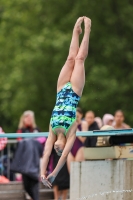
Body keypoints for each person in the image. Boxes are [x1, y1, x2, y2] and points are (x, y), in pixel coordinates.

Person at [41, 16, 91, 188]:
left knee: (70, 58)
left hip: (61, 89)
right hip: (75, 91)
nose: (57, 149)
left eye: (57, 149)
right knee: (79, 59)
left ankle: (75, 32)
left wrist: (42, 174)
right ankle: (88, 30)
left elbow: (46, 153)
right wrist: (54, 174)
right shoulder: (71, 132)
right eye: (59, 150)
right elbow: (63, 157)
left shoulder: (52, 131)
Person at [67, 107, 88, 172]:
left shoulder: (84, 124)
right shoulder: (69, 124)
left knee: (79, 172)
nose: (75, 118)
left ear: (81, 115)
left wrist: (75, 127)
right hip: (71, 149)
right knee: (71, 173)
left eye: (77, 116)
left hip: (80, 148)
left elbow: (83, 139)